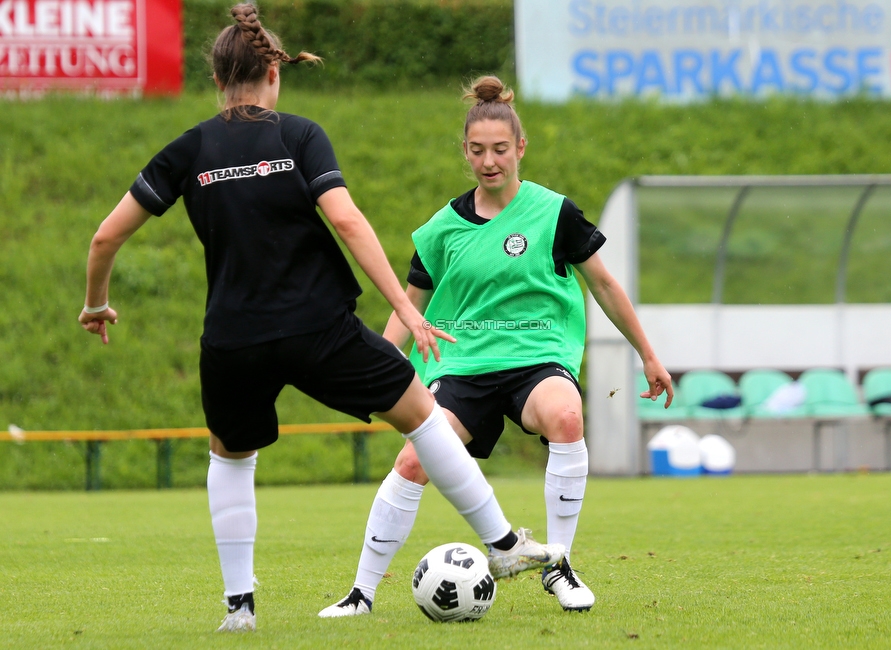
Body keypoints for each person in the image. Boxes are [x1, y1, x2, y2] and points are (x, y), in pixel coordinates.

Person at [78, 12, 563, 633]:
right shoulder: (300, 136)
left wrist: (96, 303)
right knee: (420, 414)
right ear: (274, 73)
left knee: (230, 459)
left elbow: (103, 238)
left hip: (233, 339)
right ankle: (501, 544)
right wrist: (408, 309)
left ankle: (239, 610)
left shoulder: (187, 150)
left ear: (217, 78)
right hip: (318, 330)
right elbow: (349, 222)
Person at [321, 76, 673, 617]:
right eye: (479, 150)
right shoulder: (442, 229)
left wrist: (647, 354)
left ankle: (559, 566)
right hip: (460, 366)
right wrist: (376, 372)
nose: (490, 161)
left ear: (520, 149)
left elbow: (603, 284)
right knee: (414, 461)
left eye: (501, 150)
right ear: (466, 151)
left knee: (566, 416)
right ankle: (361, 594)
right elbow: (406, 308)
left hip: (536, 358)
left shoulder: (554, 213)